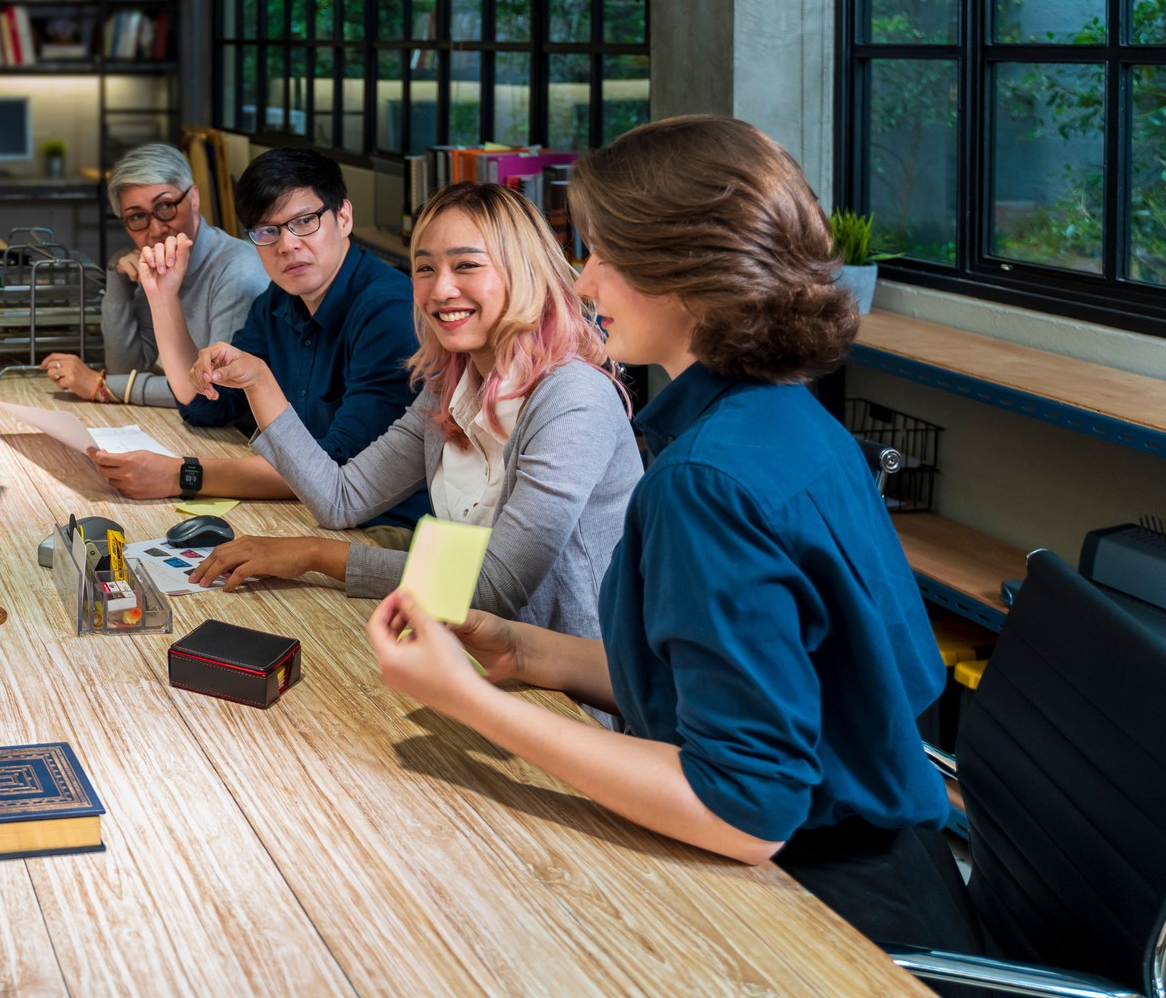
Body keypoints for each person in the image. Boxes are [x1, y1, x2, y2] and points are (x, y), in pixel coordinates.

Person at [365, 116, 982, 953]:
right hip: (898, 867)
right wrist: (532, 653)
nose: (584, 284)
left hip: (826, 917)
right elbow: (755, 685)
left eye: (605, 258)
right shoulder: (790, 419)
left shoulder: (703, 483)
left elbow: (743, 809)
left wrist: (468, 701)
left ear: (685, 275)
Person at [190, 183, 641, 638]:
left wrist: (315, 555)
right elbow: (340, 498)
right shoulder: (448, 382)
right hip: (462, 647)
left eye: (466, 265)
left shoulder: (572, 399)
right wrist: (259, 382)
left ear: (524, 272)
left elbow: (495, 586)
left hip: (565, 694)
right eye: (425, 268)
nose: (440, 289)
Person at [89, 148, 428, 528]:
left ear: (344, 217)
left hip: (384, 532)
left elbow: (335, 470)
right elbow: (206, 405)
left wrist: (182, 475)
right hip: (303, 511)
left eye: (304, 221)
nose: (287, 245)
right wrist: (163, 296)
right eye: (267, 231)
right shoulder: (279, 301)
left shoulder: (388, 311)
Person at [42, 142, 267, 407]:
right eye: (137, 217)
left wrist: (101, 386)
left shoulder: (237, 270)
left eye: (165, 206)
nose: (157, 228)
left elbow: (215, 390)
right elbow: (127, 366)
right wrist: (118, 277)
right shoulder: (159, 262)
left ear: (194, 198)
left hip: (236, 436)